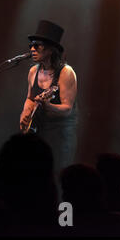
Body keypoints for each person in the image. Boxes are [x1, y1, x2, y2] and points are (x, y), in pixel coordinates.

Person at [19, 20, 78, 176]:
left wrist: (48, 106)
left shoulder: (66, 73)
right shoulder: (33, 71)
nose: (32, 49)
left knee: (56, 175)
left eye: (37, 45)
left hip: (60, 135)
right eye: (31, 45)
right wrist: (25, 113)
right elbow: (30, 98)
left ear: (51, 49)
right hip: (39, 131)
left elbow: (67, 109)